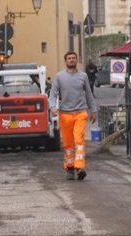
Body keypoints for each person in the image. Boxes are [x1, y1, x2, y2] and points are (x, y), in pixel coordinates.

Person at [48, 51, 97, 181]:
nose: (71, 60)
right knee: (68, 143)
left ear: (76, 60)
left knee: (79, 140)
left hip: (80, 113)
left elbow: (89, 95)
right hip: (65, 114)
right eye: (69, 58)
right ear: (65, 61)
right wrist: (53, 107)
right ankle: (70, 168)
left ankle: (80, 167)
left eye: (74, 58)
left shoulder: (83, 76)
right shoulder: (59, 77)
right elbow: (53, 94)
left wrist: (94, 110)